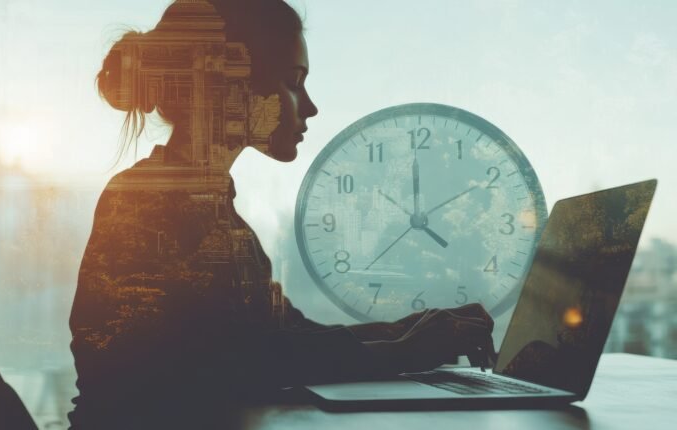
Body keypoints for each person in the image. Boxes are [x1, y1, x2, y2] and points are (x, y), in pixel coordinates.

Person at [68, 0, 496, 428]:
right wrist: (404, 348)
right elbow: (221, 364)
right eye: (293, 82)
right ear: (228, 84)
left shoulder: (212, 211)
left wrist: (405, 330)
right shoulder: (148, 202)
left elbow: (281, 336)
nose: (309, 107)